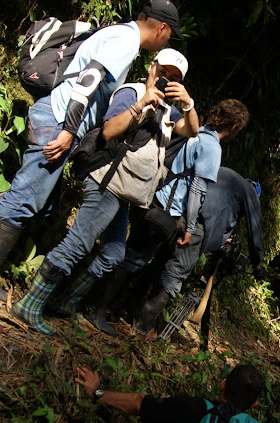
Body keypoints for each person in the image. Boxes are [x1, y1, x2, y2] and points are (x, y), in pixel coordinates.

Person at [0, 1, 184, 302]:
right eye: (169, 35)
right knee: (27, 197)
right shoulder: (126, 41)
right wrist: (69, 130)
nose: (166, 40)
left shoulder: (118, 33)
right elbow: (88, 80)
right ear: (161, 28)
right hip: (59, 120)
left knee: (41, 199)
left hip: (57, 117)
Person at [11, 48, 199, 335]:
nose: (165, 80)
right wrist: (144, 102)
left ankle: (65, 305)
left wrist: (188, 104)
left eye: (173, 78)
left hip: (125, 191)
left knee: (113, 252)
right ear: (151, 67)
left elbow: (193, 130)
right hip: (107, 182)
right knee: (77, 243)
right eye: (163, 72)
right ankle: (29, 304)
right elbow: (110, 131)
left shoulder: (168, 111)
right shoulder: (132, 93)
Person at [84, 101, 250, 336]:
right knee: (133, 260)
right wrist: (190, 227)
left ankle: (100, 306)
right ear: (234, 127)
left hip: (151, 200)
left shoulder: (195, 132)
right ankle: (96, 309)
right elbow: (197, 190)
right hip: (165, 210)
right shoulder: (212, 147)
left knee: (131, 256)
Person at [135, 166, 266, 333]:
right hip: (198, 226)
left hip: (177, 211)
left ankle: (128, 306)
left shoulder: (226, 174)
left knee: (159, 261)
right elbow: (254, 230)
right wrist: (257, 264)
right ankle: (142, 327)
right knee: (175, 273)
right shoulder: (250, 193)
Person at [75, 363, 264, 423]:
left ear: (222, 384)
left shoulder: (190, 407)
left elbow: (138, 403)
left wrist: (96, 392)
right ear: (253, 404)